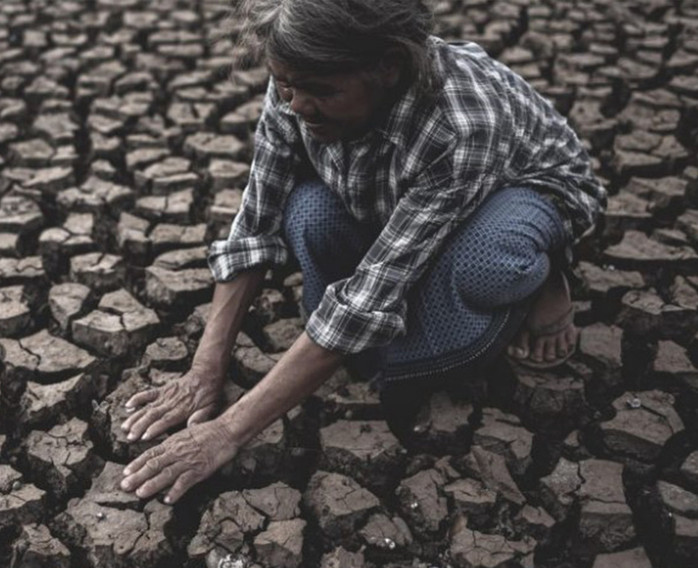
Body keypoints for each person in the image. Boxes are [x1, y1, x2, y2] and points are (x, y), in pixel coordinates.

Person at [119, 0, 606, 504]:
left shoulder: (461, 124)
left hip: (519, 194)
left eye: (322, 92)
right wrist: (204, 371)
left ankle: (548, 273)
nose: (297, 106)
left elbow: (364, 303)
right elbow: (255, 223)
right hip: (404, 197)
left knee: (481, 278)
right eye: (285, 86)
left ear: (387, 68)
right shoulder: (299, 77)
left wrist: (227, 432)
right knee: (306, 211)